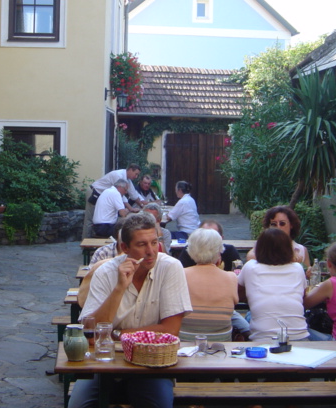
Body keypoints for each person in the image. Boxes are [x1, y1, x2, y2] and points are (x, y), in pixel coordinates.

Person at [69, 212, 192, 408]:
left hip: (152, 362)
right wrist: (119, 288)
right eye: (142, 245)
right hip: (105, 361)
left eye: (154, 242)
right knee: (78, 405)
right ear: (124, 248)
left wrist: (117, 334)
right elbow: (91, 334)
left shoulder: (170, 267)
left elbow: (170, 330)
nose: (151, 251)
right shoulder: (105, 272)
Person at [178, 219, 249, 339]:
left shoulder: (180, 275)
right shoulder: (231, 277)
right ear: (219, 251)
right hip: (221, 340)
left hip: (185, 338)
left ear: (191, 250)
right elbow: (234, 302)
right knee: (247, 329)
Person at [238, 228, 309, 342]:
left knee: (248, 316)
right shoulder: (298, 268)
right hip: (299, 335)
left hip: (262, 338)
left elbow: (238, 294)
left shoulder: (250, 267)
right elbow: (303, 298)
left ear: (259, 248)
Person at [83, 164, 145, 238]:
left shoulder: (126, 180)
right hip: (94, 193)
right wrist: (130, 209)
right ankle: (86, 242)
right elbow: (121, 196)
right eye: (136, 174)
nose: (136, 177)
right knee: (89, 220)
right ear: (130, 170)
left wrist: (141, 205)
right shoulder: (118, 176)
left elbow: (133, 194)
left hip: (101, 195)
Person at [246, 206, 311, 268]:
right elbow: (250, 257)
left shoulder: (301, 250)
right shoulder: (262, 246)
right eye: (273, 224)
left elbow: (306, 272)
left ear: (291, 225)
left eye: (282, 223)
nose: (278, 227)